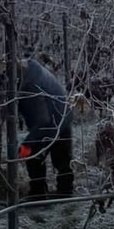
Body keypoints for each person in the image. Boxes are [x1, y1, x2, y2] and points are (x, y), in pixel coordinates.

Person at [18, 58, 74, 199]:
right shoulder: (33, 70)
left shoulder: (30, 85)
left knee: (33, 156)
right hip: (63, 115)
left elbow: (43, 121)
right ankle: (64, 193)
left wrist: (26, 145)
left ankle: (38, 194)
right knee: (63, 161)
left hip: (53, 121)